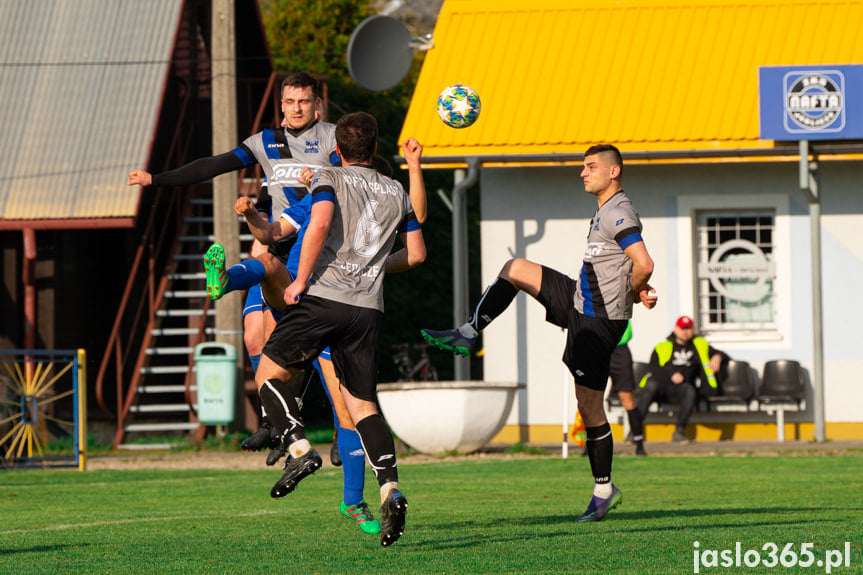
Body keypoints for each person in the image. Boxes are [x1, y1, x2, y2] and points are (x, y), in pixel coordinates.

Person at [421, 144, 657, 523]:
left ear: (614, 172)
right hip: (579, 301)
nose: (583, 172)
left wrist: (634, 289)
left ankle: (603, 490)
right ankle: (467, 332)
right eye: (583, 166)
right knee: (515, 267)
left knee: (590, 408)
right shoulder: (602, 212)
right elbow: (624, 266)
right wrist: (638, 288)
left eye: (591, 166)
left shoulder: (619, 212)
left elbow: (643, 262)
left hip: (598, 322)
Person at [203, 138, 427, 537]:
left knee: (343, 411)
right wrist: (254, 212)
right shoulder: (326, 194)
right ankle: (224, 282)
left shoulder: (336, 187)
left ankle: (346, 495)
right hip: (312, 299)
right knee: (267, 261)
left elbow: (407, 229)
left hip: (322, 303)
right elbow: (272, 231)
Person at [636, 315, 726, 444]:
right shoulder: (663, 346)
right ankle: (635, 432)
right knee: (650, 386)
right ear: (676, 329)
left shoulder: (699, 345)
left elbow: (723, 354)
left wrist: (717, 356)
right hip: (661, 387)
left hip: (681, 389)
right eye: (682, 328)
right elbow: (653, 368)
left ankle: (679, 432)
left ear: (693, 329)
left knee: (690, 390)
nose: (685, 331)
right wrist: (671, 375)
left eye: (688, 328)